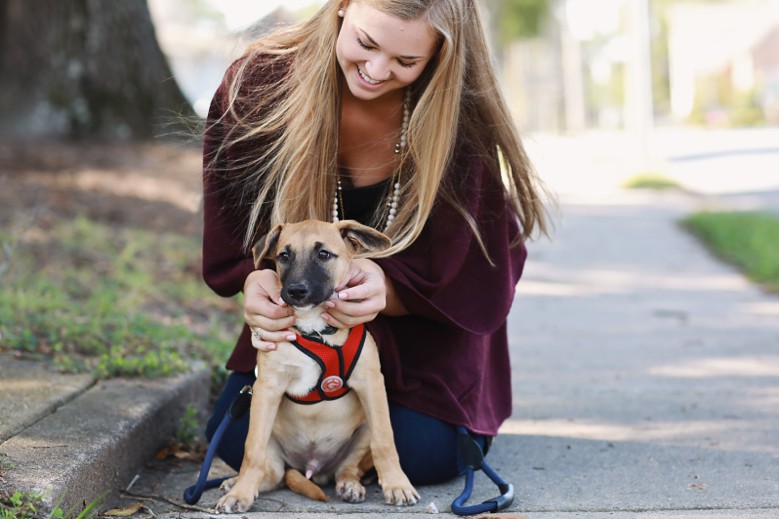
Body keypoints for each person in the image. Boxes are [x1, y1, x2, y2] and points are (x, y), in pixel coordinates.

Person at [202, 0, 548, 486]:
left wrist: (391, 291)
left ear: (441, 55)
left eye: (407, 62)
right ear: (343, 6)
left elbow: (484, 268)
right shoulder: (259, 86)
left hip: (421, 341)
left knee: (421, 453)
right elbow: (232, 230)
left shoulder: (459, 117)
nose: (376, 70)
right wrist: (256, 278)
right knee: (234, 435)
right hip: (306, 333)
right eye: (366, 43)